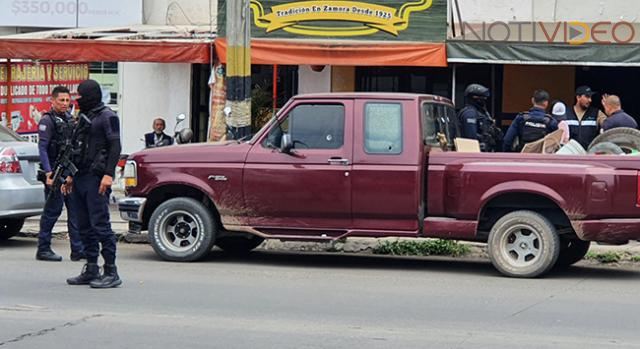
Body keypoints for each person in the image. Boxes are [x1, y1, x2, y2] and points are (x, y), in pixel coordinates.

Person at [65, 79, 122, 289]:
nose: (77, 100)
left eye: (80, 96)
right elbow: (77, 148)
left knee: (100, 225)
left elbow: (115, 145)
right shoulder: (83, 117)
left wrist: (109, 175)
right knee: (83, 225)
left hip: (97, 178)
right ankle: (91, 268)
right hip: (80, 177)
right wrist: (70, 174)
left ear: (90, 95)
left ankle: (111, 270)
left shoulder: (108, 116)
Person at [36, 86, 84, 262]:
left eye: (67, 100)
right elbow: (42, 147)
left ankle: (78, 249)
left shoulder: (70, 120)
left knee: (75, 211)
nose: (65, 104)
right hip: (54, 172)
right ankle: (43, 248)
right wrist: (49, 173)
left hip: (68, 172)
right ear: (52, 101)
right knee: (52, 211)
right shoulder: (47, 121)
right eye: (61, 100)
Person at [458, 84, 503, 152]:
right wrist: (486, 138)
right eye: (482, 98)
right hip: (473, 153)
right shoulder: (470, 113)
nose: (484, 100)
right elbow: (471, 138)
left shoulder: (482, 114)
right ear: (475, 98)